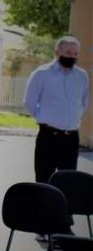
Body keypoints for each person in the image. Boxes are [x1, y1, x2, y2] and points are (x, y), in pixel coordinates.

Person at [24, 35, 89, 183]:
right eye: (67, 53)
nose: (71, 57)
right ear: (57, 52)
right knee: (43, 181)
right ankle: (42, 207)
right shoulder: (41, 74)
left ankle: (64, 207)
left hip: (71, 139)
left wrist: (73, 119)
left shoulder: (81, 76)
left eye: (75, 54)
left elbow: (84, 102)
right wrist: (46, 118)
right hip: (48, 137)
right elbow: (29, 102)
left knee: (68, 183)